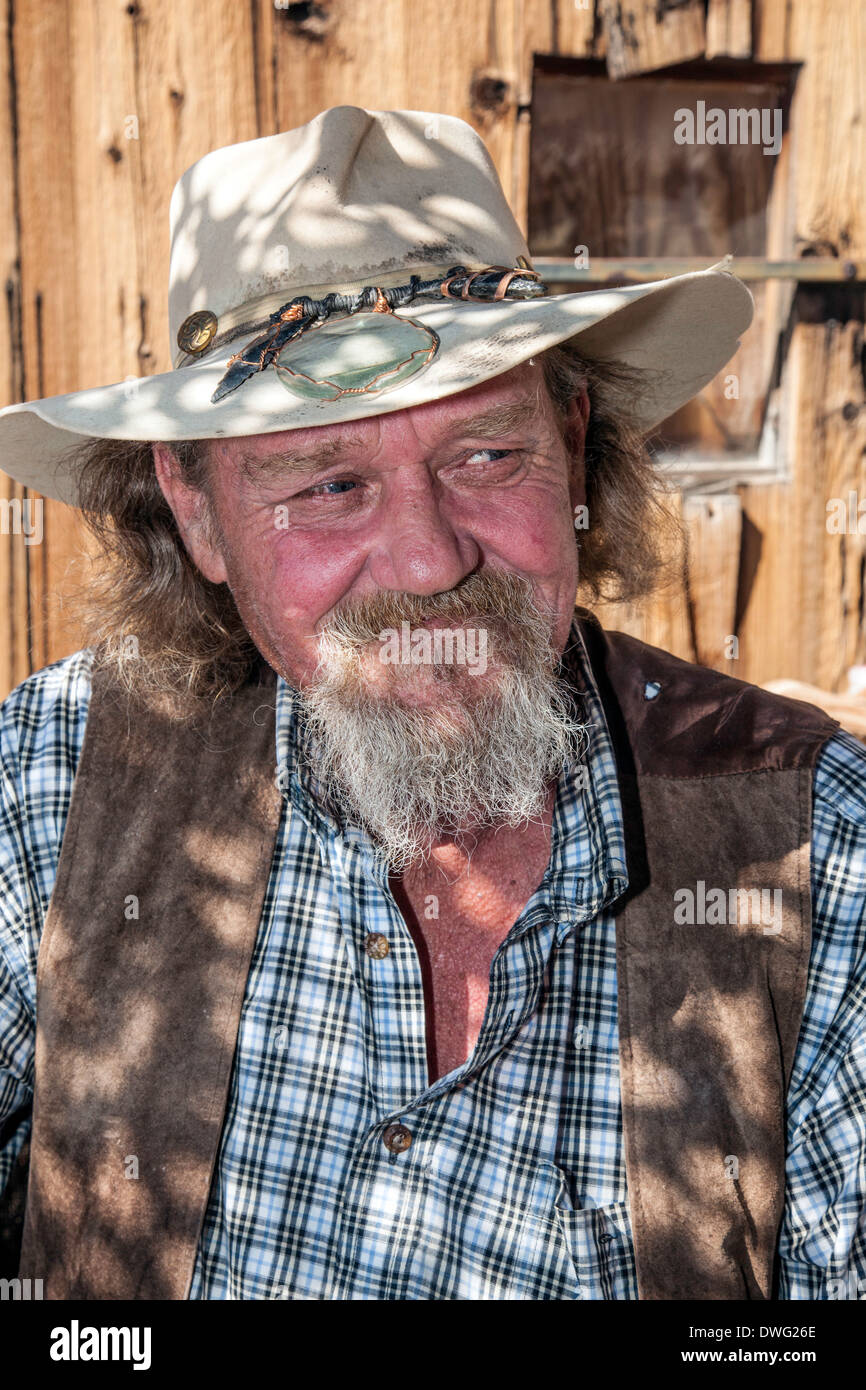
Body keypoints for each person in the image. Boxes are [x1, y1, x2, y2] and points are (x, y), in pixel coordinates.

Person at [0, 106, 863, 1302]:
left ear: (569, 445)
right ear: (195, 511)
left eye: (486, 457)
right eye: (329, 481)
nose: (426, 560)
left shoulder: (822, 858)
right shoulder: (56, 779)